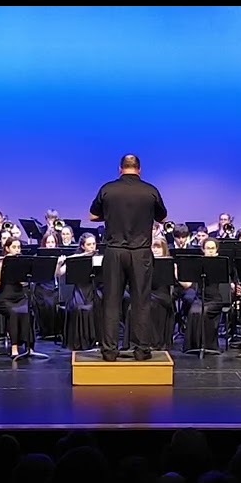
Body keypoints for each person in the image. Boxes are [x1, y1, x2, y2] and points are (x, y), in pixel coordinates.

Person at [89, 153, 168, 361]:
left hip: (114, 251)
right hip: (141, 253)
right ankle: (142, 350)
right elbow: (162, 217)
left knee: (111, 301)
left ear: (120, 168)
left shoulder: (108, 189)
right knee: (141, 301)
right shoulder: (150, 190)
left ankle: (109, 351)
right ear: (139, 169)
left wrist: (110, 213)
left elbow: (92, 215)